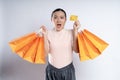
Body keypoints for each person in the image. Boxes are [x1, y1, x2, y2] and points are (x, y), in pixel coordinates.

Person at [40, 8, 80, 80]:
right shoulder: (47, 33)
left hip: (68, 70)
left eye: (61, 17)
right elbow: (45, 54)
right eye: (55, 17)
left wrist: (75, 31)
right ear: (51, 19)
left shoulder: (71, 32)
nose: (58, 20)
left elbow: (76, 50)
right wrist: (45, 35)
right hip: (52, 70)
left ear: (65, 20)